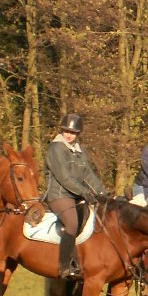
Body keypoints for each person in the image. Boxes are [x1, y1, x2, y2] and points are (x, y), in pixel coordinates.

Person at [43, 113, 108, 280]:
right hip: (59, 194)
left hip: (75, 195)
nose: (69, 134)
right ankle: (64, 267)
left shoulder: (78, 151)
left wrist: (102, 193)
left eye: (73, 132)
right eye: (66, 131)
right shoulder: (56, 148)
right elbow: (64, 177)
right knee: (72, 223)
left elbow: (88, 174)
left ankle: (84, 261)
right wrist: (84, 192)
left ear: (78, 134)